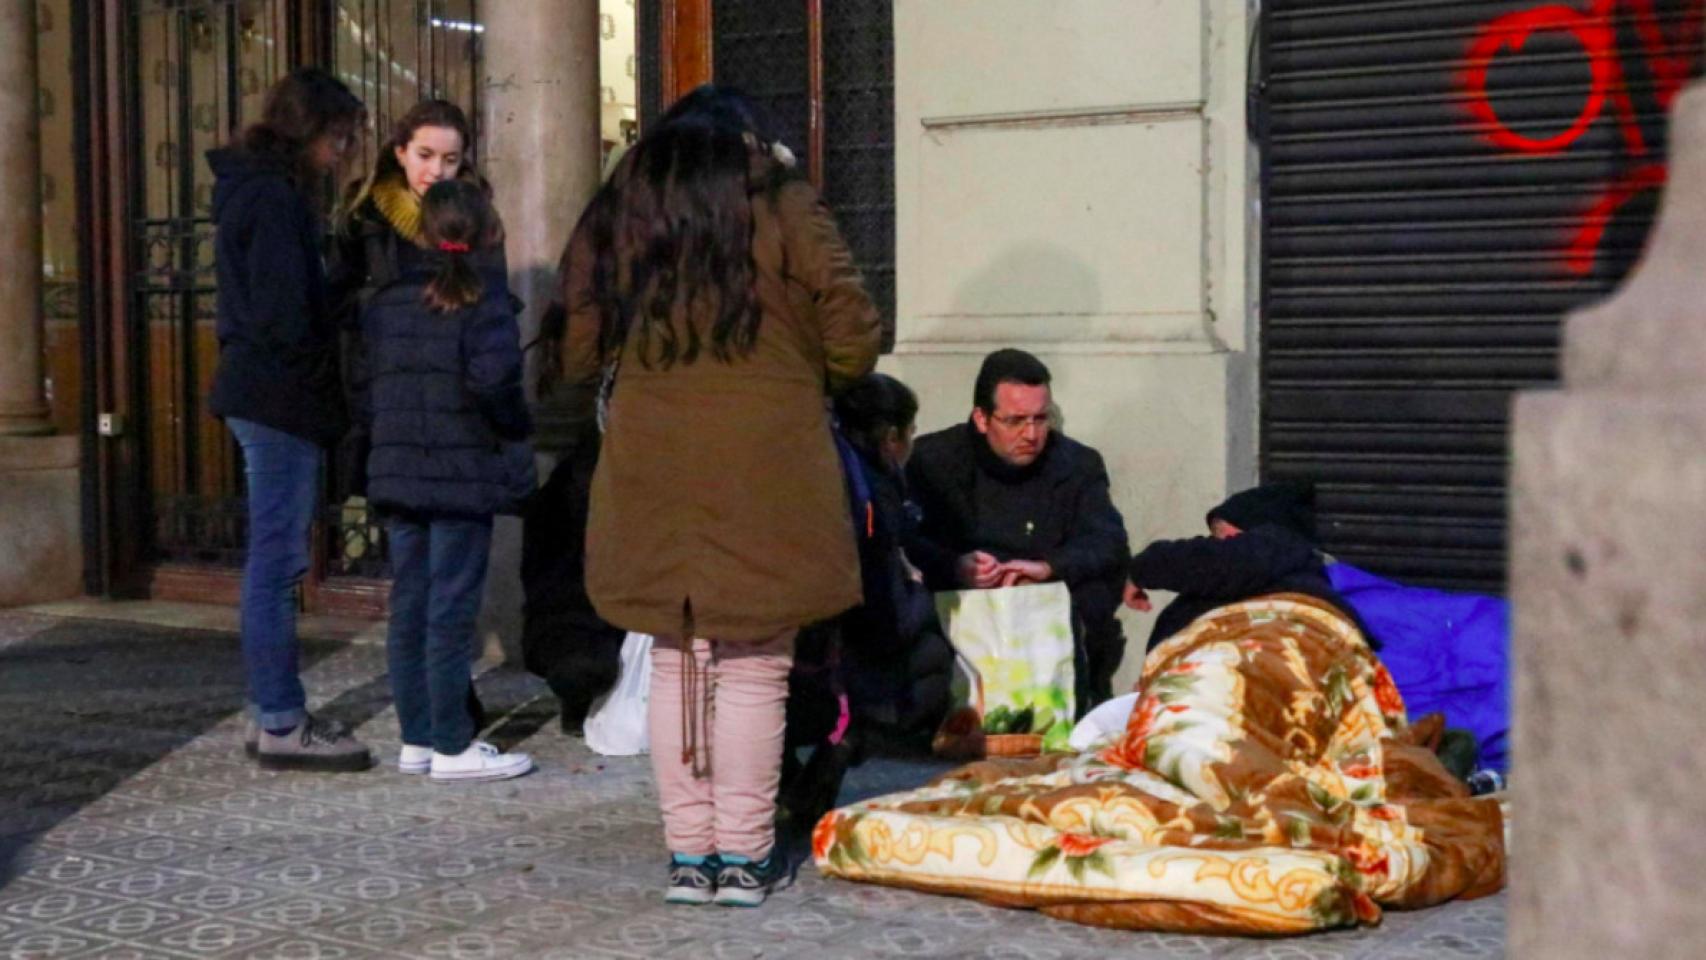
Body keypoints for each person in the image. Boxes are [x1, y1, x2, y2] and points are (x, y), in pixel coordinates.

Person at [558, 84, 881, 906]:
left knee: (674, 653)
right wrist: (798, 375)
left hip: (651, 451)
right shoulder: (782, 202)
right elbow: (854, 329)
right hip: (768, 453)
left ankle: (688, 853)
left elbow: (577, 339)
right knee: (754, 662)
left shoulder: (621, 209)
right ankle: (742, 854)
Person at [207, 68, 372, 771]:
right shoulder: (274, 200)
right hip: (277, 398)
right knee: (277, 564)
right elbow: (285, 316)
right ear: (311, 132)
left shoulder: (254, 189)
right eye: (339, 140)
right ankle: (280, 718)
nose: (341, 156)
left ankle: (271, 710)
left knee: (274, 559)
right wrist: (338, 287)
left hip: (261, 392)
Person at [359, 179, 534, 782]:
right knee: (451, 608)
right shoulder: (483, 300)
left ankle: (417, 737)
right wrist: (513, 433)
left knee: (409, 603)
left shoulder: (386, 302)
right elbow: (496, 384)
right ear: (486, 231)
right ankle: (454, 745)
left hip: (398, 471)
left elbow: (368, 383)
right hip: (461, 474)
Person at [331, 99, 494, 730]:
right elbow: (342, 314)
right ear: (399, 152)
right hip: (396, 413)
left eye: (450, 158)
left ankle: (436, 721)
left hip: (452, 422)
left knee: (443, 594)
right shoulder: (367, 219)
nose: (436, 171)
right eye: (425, 155)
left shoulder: (474, 212)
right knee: (420, 593)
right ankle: (432, 729)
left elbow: (490, 303)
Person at [905, 348, 1130, 710]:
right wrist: (954, 566)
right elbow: (907, 538)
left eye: (1041, 419)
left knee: (1098, 590)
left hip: (1047, 600)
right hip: (959, 599)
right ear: (981, 418)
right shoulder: (934, 460)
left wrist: (1048, 567)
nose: (1031, 434)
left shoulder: (1076, 464)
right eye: (1015, 421)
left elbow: (1106, 540)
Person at [780, 373, 954, 827]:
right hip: (837, 639)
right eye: (910, 432)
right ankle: (828, 762)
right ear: (891, 435)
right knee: (930, 663)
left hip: (797, 624)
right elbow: (879, 593)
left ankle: (793, 783)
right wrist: (922, 609)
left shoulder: (828, 461)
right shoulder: (871, 487)